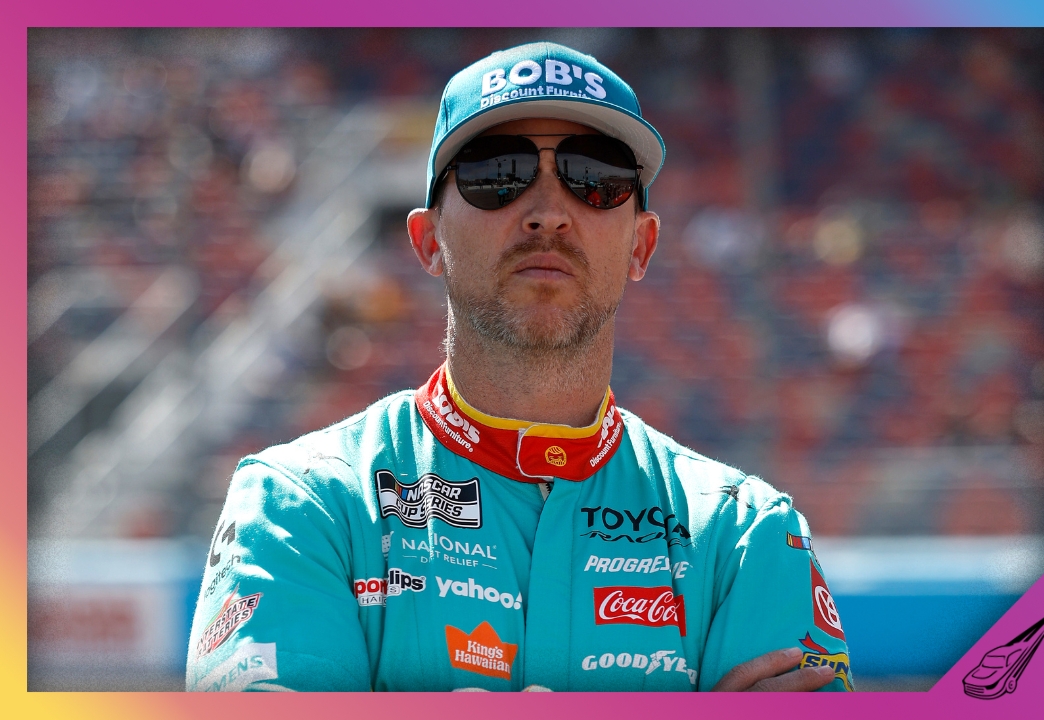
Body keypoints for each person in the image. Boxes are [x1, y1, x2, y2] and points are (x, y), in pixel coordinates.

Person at [185, 41, 853, 693]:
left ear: (641, 247)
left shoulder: (748, 536)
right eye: (496, 174)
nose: (547, 214)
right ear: (428, 242)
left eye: (596, 178)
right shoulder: (302, 504)